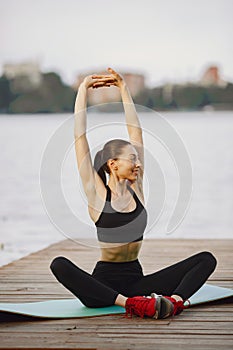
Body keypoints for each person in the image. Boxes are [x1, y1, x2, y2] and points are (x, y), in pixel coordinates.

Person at [50, 68, 217, 319]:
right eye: (131, 159)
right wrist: (82, 90)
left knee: (206, 259)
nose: (138, 164)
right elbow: (79, 136)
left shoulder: (137, 189)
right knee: (59, 265)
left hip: (138, 284)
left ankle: (175, 302)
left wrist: (123, 88)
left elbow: (136, 132)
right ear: (113, 164)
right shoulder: (97, 194)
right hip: (102, 288)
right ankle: (131, 305)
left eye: (137, 159)